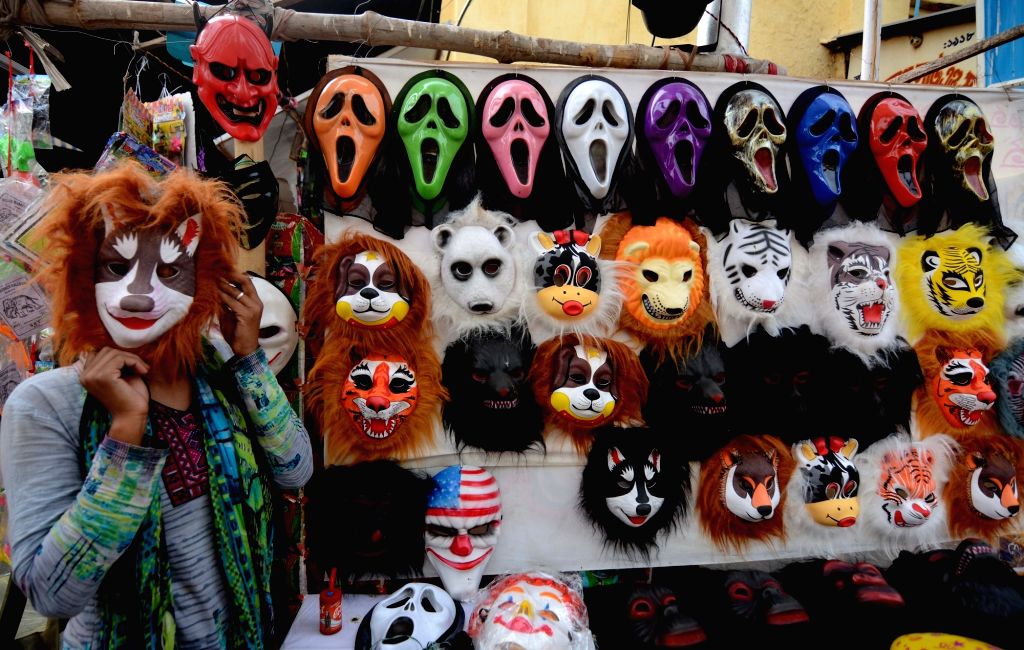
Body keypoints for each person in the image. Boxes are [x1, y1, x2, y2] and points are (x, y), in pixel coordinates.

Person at [0, 163, 313, 649]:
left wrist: (249, 359)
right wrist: (124, 435)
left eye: (170, 271)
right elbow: (51, 593)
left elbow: (296, 470)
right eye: (116, 267)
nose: (140, 295)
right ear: (84, 271)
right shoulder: (45, 404)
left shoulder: (220, 374)